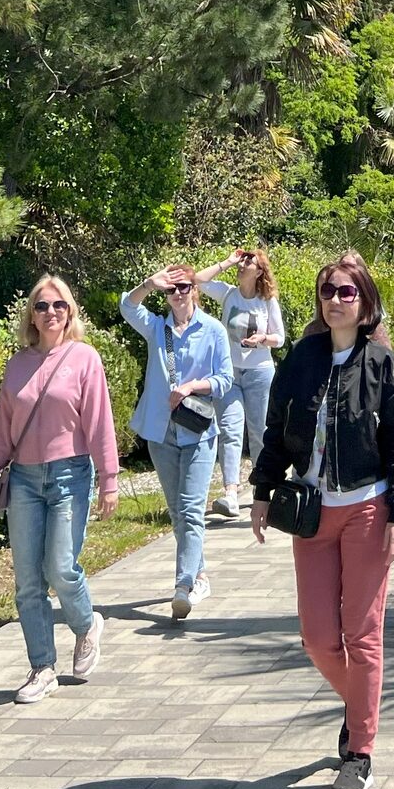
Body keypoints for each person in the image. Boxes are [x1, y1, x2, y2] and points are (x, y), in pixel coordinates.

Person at [250, 252, 394, 789]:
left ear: (365, 301)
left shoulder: (384, 366)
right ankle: (360, 706)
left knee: (361, 635)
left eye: (347, 292)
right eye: (328, 291)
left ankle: (360, 751)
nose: (336, 300)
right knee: (318, 638)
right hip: (312, 513)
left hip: (368, 509)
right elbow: (277, 429)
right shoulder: (302, 359)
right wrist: (262, 490)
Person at [0, 274, 120, 704]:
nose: (51, 312)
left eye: (59, 305)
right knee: (27, 580)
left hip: (69, 475)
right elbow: (3, 431)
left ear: (70, 311)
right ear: (32, 316)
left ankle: (86, 623)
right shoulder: (17, 365)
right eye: (42, 306)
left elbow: (99, 422)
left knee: (60, 567)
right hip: (23, 479)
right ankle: (42, 667)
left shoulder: (84, 358)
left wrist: (109, 479)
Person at [120, 264, 232, 621]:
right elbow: (127, 306)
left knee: (191, 508)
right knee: (177, 511)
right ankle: (200, 575)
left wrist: (192, 387)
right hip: (161, 431)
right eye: (171, 289)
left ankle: (183, 586)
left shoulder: (213, 330)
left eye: (184, 287)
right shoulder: (157, 328)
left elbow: (225, 379)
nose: (178, 294)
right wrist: (147, 284)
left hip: (198, 431)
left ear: (195, 289)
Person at [196, 248, 286, 519]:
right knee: (230, 430)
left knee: (259, 432)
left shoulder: (267, 301)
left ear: (259, 272)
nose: (243, 264)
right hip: (229, 374)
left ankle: (262, 491)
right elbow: (198, 279)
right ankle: (231, 495)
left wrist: (262, 339)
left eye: (249, 262)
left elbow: (280, 338)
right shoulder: (228, 294)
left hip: (259, 372)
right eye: (242, 260)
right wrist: (227, 261)